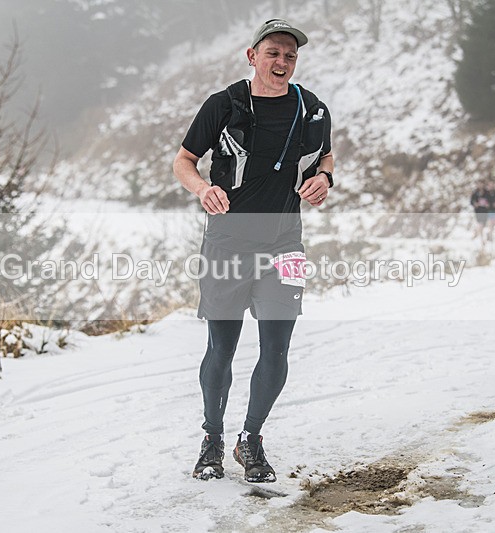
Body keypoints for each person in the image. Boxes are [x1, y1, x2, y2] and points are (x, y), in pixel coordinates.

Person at [172, 19, 334, 483]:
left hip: (286, 242)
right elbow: (184, 160)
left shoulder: (312, 109)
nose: (281, 63)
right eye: (273, 54)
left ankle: (252, 439)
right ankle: (213, 440)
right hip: (227, 241)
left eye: (289, 55)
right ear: (252, 56)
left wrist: (325, 178)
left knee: (277, 348)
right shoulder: (223, 105)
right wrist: (202, 188)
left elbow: (325, 156)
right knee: (221, 348)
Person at [470, 180, 490, 246]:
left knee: (482, 225)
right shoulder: (475, 192)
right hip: (478, 211)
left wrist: (487, 204)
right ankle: (482, 240)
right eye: (479, 184)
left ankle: (476, 233)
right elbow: (471, 202)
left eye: (481, 184)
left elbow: (490, 201)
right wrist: (475, 204)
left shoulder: (487, 192)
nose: (480, 185)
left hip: (485, 211)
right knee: (480, 224)